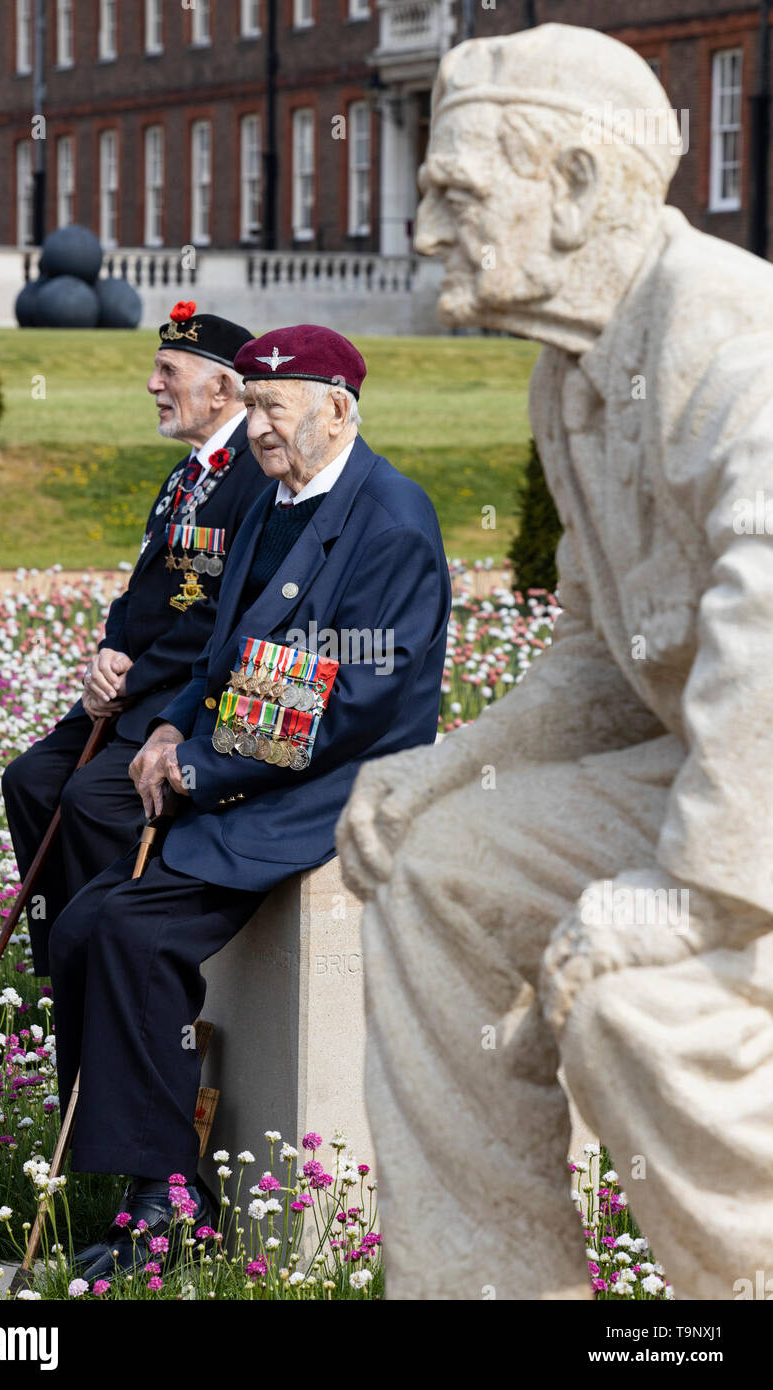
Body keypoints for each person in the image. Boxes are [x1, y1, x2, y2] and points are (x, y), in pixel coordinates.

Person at [337, 25, 773, 1301]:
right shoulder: (571, 374)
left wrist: (688, 898)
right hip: (726, 777)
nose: (424, 235)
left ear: (576, 188)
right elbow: (600, 654)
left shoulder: (734, 355)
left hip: (751, 808)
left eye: (455, 194)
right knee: (442, 871)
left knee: (642, 1022)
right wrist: (447, 771)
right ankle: (485, 1284)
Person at [47, 325, 451, 1278]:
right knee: (79, 930)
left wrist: (204, 771)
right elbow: (222, 656)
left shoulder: (390, 519)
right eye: (254, 406)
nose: (256, 425)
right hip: (248, 770)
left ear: (337, 410)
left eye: (273, 408)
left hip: (324, 790)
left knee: (134, 934)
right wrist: (166, 730)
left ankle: (167, 1207)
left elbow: (358, 705)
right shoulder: (279, 498)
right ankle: (125, 1175)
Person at [1, 305, 268, 975]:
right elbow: (142, 587)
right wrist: (106, 653)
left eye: (167, 371)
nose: (152, 384)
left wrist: (134, 673)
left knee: (90, 801)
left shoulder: (250, 477)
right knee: (31, 780)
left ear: (222, 388)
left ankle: (110, 959)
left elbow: (218, 613)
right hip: (129, 679)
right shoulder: (187, 473)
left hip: (177, 690)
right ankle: (64, 960)